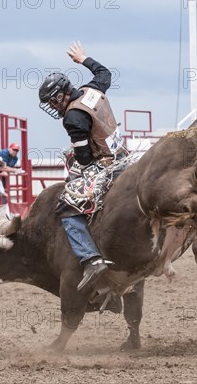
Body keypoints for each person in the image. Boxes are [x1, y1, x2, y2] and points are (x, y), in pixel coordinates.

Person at [37, 41, 124, 292]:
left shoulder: (73, 117)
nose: (53, 107)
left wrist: (75, 160)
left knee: (66, 206)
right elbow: (104, 73)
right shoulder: (92, 90)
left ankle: (91, 258)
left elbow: (85, 158)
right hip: (122, 154)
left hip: (105, 166)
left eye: (53, 102)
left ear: (61, 95)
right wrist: (83, 58)